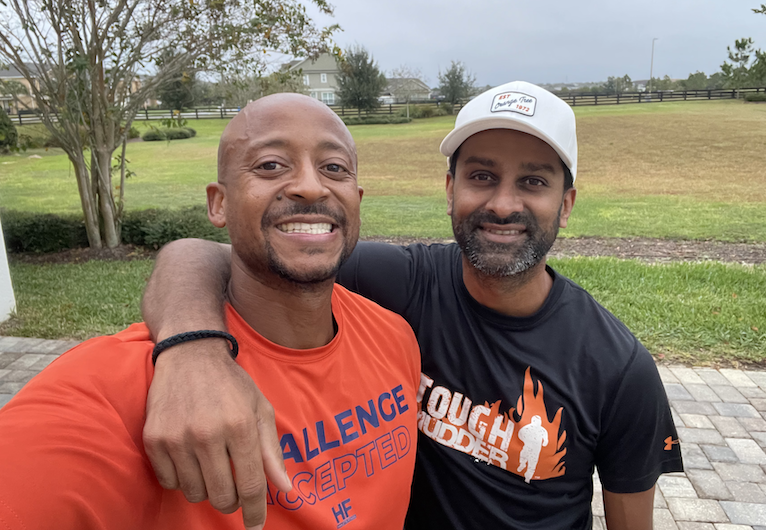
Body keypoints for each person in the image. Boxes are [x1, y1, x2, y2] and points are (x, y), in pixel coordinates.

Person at [141, 81, 683, 530]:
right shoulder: (399, 283)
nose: (502, 202)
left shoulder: (616, 367)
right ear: (450, 189)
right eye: (481, 176)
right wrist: (194, 353)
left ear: (564, 205)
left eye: (533, 182)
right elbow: (210, 254)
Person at [0, 94, 421, 530]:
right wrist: (191, 349)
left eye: (334, 168)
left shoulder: (394, 338)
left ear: (357, 198)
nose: (311, 187)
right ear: (218, 204)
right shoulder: (129, 389)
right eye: (271, 165)